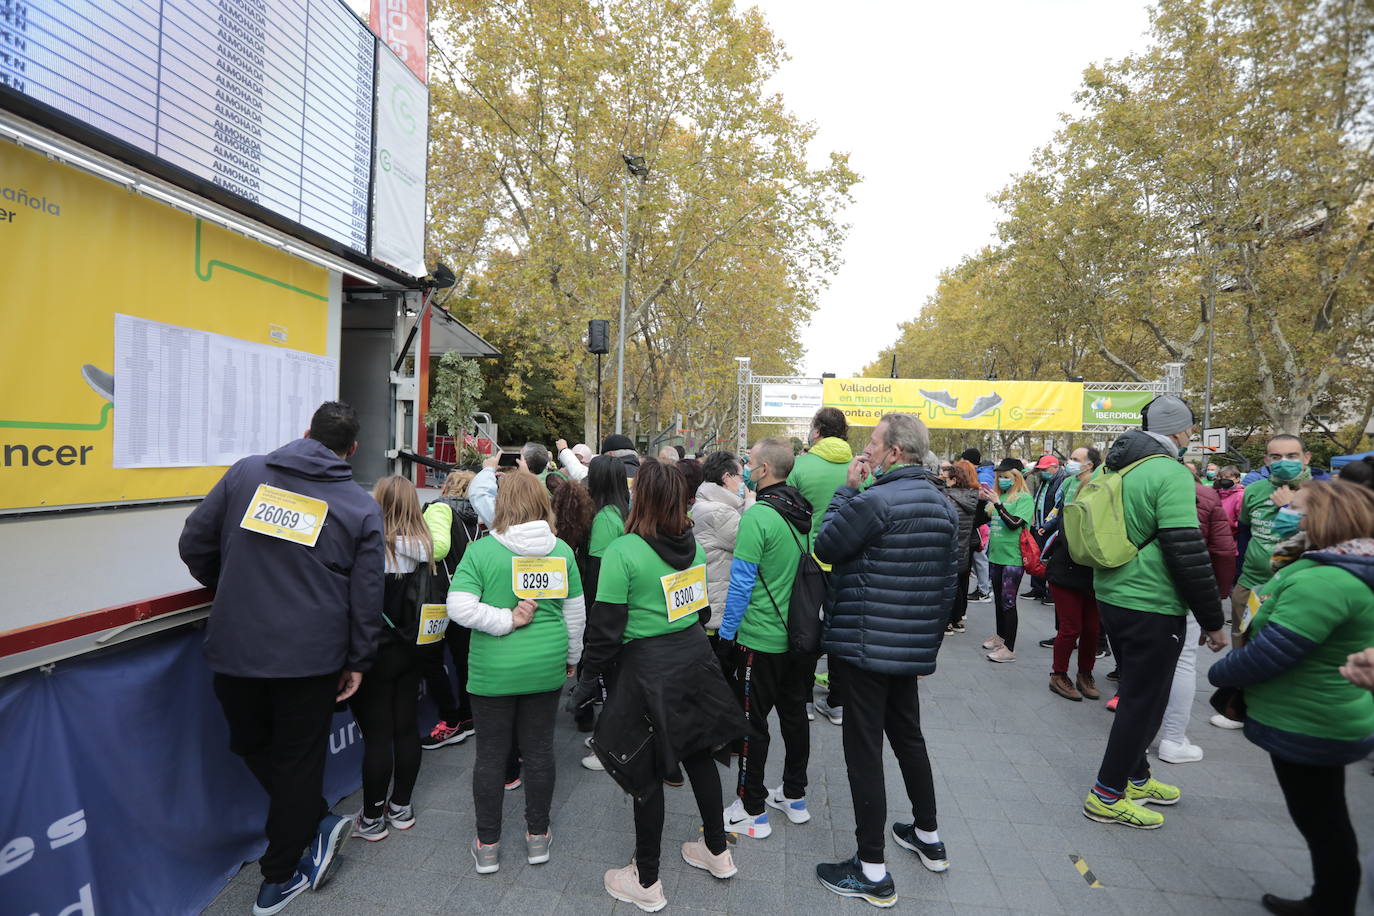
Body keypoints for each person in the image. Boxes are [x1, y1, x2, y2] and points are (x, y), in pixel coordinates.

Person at [178, 401, 382, 916]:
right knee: (284, 758)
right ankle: (308, 827)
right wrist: (359, 659)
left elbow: (194, 543)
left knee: (267, 750)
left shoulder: (248, 472)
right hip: (305, 659)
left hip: (245, 648)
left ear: (306, 432)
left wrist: (229, 587)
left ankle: (280, 872)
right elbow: (368, 594)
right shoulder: (357, 505)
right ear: (351, 449)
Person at [568, 459, 747, 912]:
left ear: (640, 496)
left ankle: (646, 878)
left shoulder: (624, 552)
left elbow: (605, 632)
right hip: (694, 657)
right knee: (700, 754)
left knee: (645, 774)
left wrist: (584, 681)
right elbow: (701, 613)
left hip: (647, 669)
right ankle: (716, 851)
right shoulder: (695, 547)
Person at [1207, 480, 1374, 916]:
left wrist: (1220, 672)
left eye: (1299, 510)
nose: (1290, 516)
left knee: (1322, 821)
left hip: (1313, 719)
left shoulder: (1328, 580)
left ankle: (1331, 903)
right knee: (1323, 817)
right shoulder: (1327, 567)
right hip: (1318, 712)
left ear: (1326, 519)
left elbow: (1274, 653)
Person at [812, 413, 958, 907]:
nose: (866, 451)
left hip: (864, 644)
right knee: (908, 737)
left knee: (864, 748)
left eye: (873, 444)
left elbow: (827, 545)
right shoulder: (943, 506)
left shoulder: (874, 500)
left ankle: (871, 868)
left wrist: (846, 491)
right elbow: (947, 586)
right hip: (909, 646)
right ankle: (928, 835)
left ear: (895, 452)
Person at [1081, 395, 1227, 830]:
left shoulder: (1115, 467)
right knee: (1143, 702)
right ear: (1181, 431)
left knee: (1145, 693)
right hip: (1153, 603)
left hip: (1112, 594)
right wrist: (1213, 619)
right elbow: (1186, 549)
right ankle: (1107, 794)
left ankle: (1135, 776)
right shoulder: (1170, 473)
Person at [446, 470, 585, 874]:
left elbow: (459, 608)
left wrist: (504, 620)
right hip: (546, 666)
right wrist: (572, 656)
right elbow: (576, 615)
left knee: (490, 757)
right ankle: (537, 837)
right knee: (540, 752)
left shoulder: (482, 552)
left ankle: (487, 844)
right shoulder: (562, 552)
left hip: (493, 672)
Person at [718, 438, 814, 839]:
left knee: (751, 723)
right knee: (794, 716)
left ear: (764, 470)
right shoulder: (801, 512)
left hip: (760, 638)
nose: (744, 468)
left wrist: (726, 637)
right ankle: (794, 797)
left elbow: (741, 584)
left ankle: (752, 809)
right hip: (799, 636)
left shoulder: (759, 516)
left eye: (749, 462)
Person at [348, 476, 433, 842]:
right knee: (406, 728)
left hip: (376, 653)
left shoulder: (370, 551)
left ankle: (371, 818)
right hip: (415, 649)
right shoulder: (427, 548)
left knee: (378, 736)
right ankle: (401, 806)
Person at [1151, 465, 1237, 763]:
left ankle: (1143, 734)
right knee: (1183, 662)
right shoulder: (1205, 497)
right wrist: (1213, 606)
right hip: (1185, 593)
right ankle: (1173, 739)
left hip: (1141, 591)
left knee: (1146, 665)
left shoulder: (1142, 487)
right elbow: (1224, 552)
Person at [787, 407, 855, 725]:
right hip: (848, 561)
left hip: (808, 561)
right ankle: (838, 702)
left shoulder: (801, 465)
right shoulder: (859, 468)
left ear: (816, 431)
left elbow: (785, 511)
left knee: (805, 631)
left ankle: (803, 701)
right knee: (841, 633)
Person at [1235, 436, 1320, 650]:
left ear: (1306, 458)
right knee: (1242, 648)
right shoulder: (1253, 491)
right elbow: (1244, 534)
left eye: (1292, 456)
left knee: (1281, 652)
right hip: (1250, 585)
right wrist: (1238, 578)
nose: (1284, 461)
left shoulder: (1322, 493)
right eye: (1276, 457)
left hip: (1297, 587)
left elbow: (1324, 538)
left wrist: (1291, 507)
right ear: (1266, 460)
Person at [420, 470, 481, 751]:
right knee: (463, 658)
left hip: (438, 598)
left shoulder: (440, 509)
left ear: (448, 486)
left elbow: (438, 549)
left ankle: (450, 720)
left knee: (429, 658)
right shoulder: (478, 517)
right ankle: (468, 717)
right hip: (468, 596)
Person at [1044, 446, 1103, 701]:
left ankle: (1085, 674)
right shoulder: (1068, 485)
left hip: (1092, 569)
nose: (1070, 463)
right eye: (1072, 459)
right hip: (1065, 566)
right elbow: (1061, 523)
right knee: (1071, 626)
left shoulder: (1100, 488)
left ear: (1090, 465)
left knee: (1092, 628)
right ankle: (1058, 675)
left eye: (1077, 460)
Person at [979, 459, 1032, 663]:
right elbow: (982, 519)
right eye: (999, 477)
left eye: (1006, 477)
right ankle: (1000, 637)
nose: (1001, 480)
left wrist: (998, 504)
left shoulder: (1023, 498)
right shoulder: (998, 497)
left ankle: (1009, 648)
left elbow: (1014, 524)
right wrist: (981, 500)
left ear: (1016, 478)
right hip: (995, 556)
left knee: (1009, 602)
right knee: (1000, 601)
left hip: (1013, 558)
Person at [691, 450, 747, 634]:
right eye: (740, 476)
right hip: (718, 608)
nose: (742, 482)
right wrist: (751, 504)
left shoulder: (707, 503)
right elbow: (749, 542)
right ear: (726, 477)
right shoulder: (720, 512)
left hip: (710, 598)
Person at [940, 461, 982, 635]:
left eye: (945, 477)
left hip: (949, 546)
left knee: (948, 585)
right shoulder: (972, 496)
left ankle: (947, 621)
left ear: (954, 479)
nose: (943, 479)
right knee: (959, 584)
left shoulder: (948, 497)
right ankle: (957, 620)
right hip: (964, 545)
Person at [1023, 454, 1062, 602]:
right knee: (1038, 557)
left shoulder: (1061, 482)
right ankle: (1037, 589)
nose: (1042, 472)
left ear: (1055, 467)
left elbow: (1057, 508)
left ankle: (1051, 593)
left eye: (1045, 469)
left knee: (1050, 560)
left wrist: (1048, 525)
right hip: (1040, 524)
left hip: (1050, 526)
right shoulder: (1046, 480)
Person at [962, 448, 995, 603]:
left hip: (981, 524)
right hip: (979, 523)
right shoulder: (980, 475)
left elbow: (985, 500)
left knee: (980, 557)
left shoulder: (982, 477)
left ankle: (984, 589)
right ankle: (983, 588)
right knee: (977, 558)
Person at [1215, 464, 1245, 537]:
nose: (1223, 479)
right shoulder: (1217, 494)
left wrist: (1231, 527)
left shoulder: (1240, 495)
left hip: (1233, 536)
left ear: (1237, 479)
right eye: (1221, 477)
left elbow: (1243, 520)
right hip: (1218, 534)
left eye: (1227, 477)